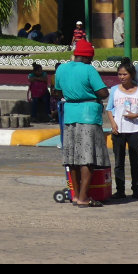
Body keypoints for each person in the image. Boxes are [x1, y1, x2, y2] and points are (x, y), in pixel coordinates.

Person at [51, 39, 110, 207]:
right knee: (87, 158)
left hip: (69, 115)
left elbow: (57, 90)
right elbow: (103, 92)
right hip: (88, 116)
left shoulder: (61, 68)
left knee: (73, 158)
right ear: (87, 57)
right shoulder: (88, 70)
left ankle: (76, 195)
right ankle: (84, 197)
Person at [106, 59, 138, 200]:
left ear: (131, 75)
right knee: (119, 161)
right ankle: (120, 190)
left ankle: (136, 189)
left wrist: (136, 115)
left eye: (124, 74)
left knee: (135, 161)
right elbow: (109, 109)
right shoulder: (114, 90)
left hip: (135, 129)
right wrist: (113, 124)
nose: (122, 77)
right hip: (119, 130)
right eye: (119, 74)